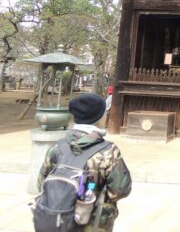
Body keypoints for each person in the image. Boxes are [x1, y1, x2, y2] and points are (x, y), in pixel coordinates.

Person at [37, 93, 132, 231]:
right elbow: (121, 190)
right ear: (100, 118)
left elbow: (41, 183)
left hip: (58, 220)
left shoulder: (58, 147)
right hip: (94, 223)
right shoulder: (108, 152)